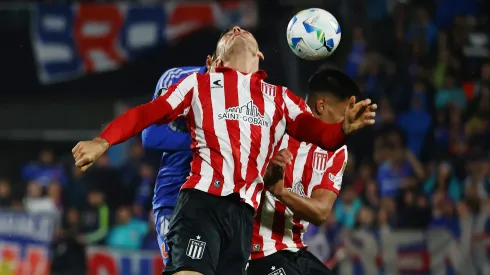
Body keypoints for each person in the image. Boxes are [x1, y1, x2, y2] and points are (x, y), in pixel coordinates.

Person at [72, 26, 376, 275]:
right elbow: (145, 115)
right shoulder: (198, 84)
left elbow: (319, 134)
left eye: (243, 32)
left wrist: (342, 131)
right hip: (201, 203)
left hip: (242, 220)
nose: (237, 28)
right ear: (216, 62)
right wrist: (103, 141)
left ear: (259, 57)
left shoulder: (281, 100)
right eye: (226, 37)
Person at [247, 65, 355, 275]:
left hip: (294, 248)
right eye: (343, 116)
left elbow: (321, 212)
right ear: (321, 106)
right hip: (254, 250)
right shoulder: (275, 124)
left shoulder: (338, 150)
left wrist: (282, 192)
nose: (346, 124)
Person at [141, 54, 216, 263]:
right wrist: (205, 141)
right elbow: (151, 136)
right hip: (174, 194)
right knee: (180, 265)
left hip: (222, 199)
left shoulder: (247, 92)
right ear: (211, 62)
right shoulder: (178, 78)